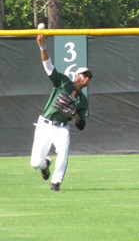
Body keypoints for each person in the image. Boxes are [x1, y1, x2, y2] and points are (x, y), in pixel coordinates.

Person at [30, 32, 92, 191]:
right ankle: (45, 165)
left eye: (89, 77)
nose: (87, 78)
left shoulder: (82, 100)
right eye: (85, 74)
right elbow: (48, 66)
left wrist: (75, 116)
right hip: (45, 124)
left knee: (63, 153)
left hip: (62, 128)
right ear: (77, 75)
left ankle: (55, 184)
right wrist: (42, 46)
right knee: (35, 163)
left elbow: (82, 125)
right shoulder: (63, 82)